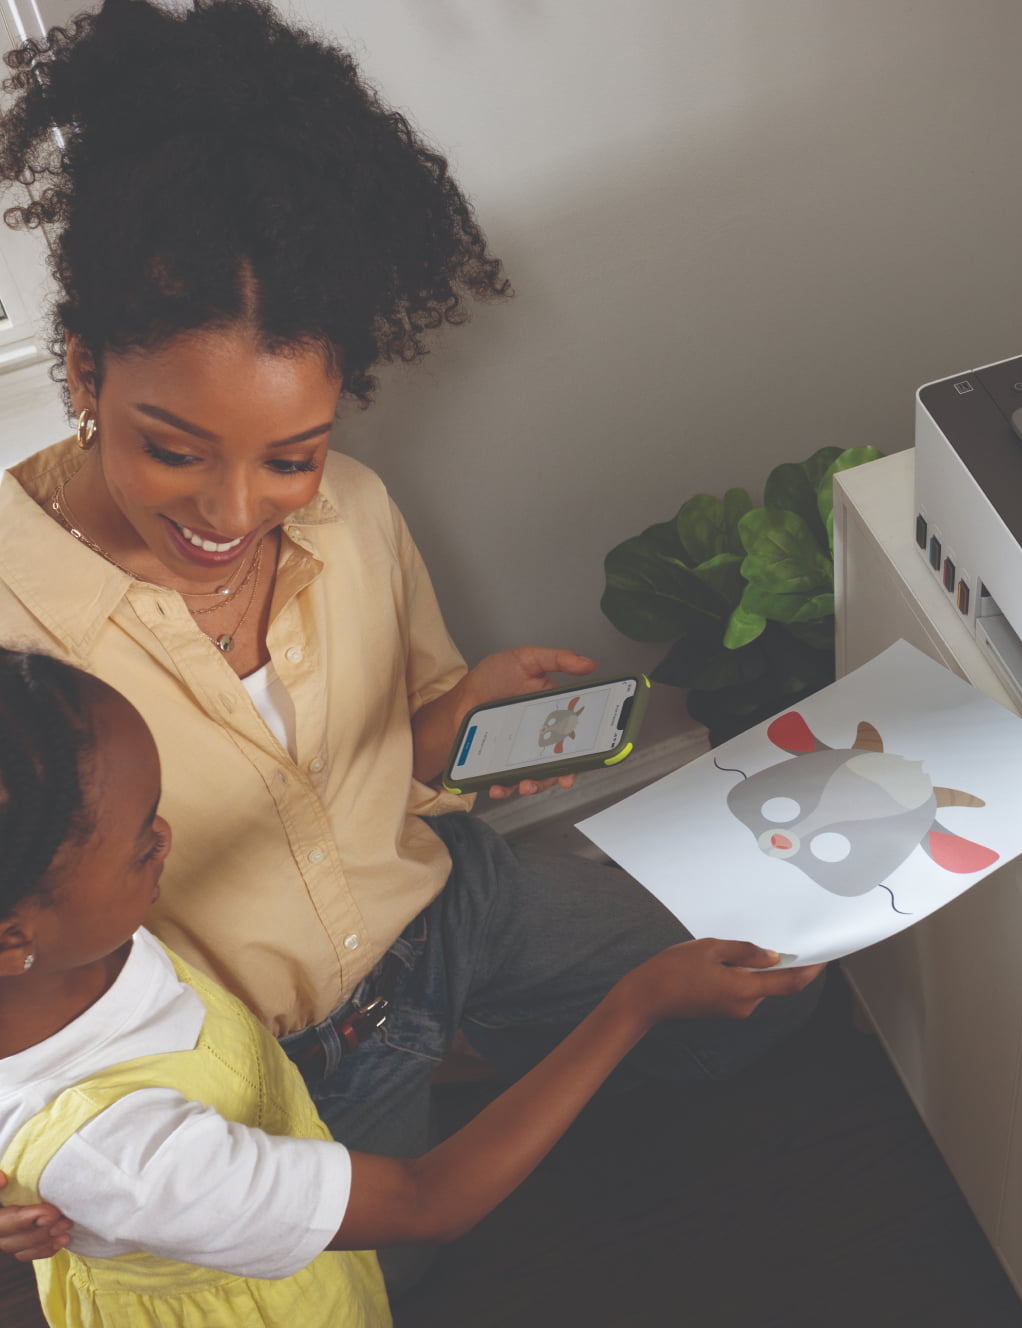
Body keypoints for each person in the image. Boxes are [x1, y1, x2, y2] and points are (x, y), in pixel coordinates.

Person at [0, 0, 825, 1280]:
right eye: (173, 448)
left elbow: (393, 747)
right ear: (83, 366)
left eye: (291, 455)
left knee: (770, 976)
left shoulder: (360, 514)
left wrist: (462, 713)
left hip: (446, 903)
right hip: (272, 1069)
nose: (232, 514)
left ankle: (476, 1047)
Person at [0, 645, 821, 1326]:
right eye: (141, 842)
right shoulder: (132, 1156)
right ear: (13, 936)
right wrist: (633, 1004)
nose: (167, 836)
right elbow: (428, 1200)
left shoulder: (65, 947)